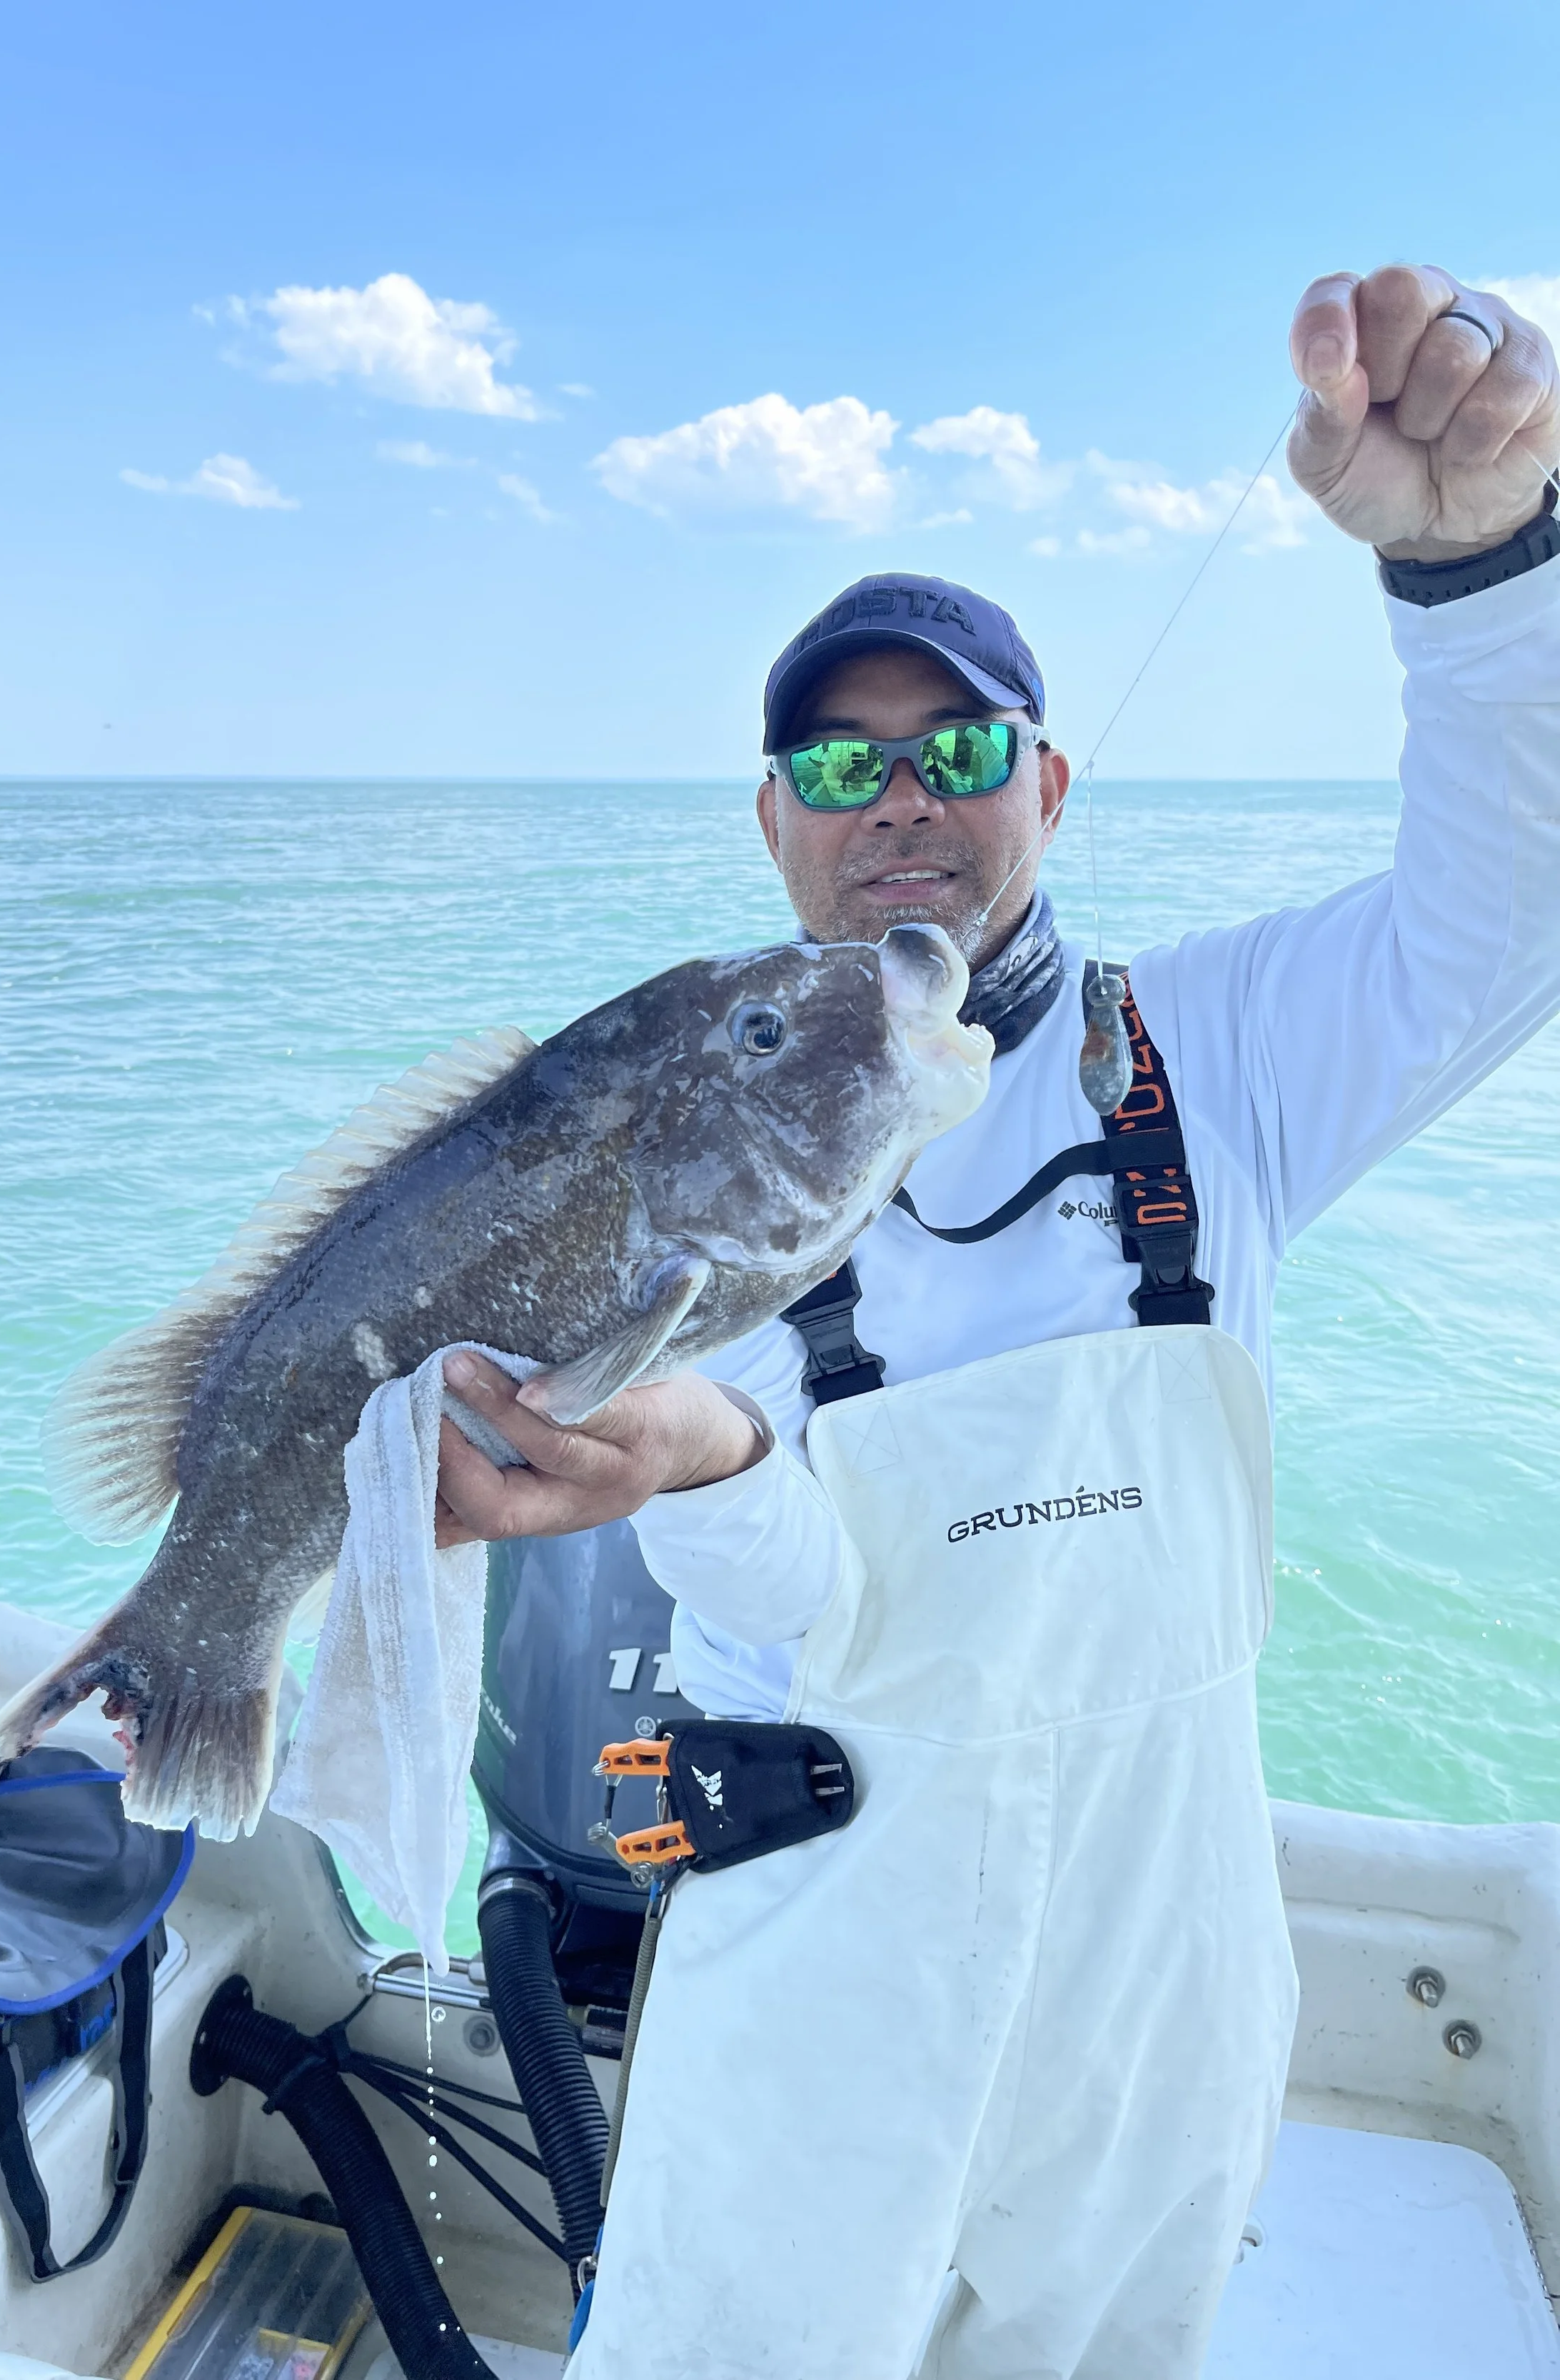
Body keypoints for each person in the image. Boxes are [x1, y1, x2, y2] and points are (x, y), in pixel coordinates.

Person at [435, 263, 1560, 2379]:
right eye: (833, 763)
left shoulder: (1206, 1057)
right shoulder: (671, 1122)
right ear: (769, 819)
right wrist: (694, 1459)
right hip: (814, 1928)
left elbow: (1511, 903)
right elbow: (761, 1541)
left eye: (953, 744)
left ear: (1046, 783)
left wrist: (1484, 565)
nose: (898, 799)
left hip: (1165, 1952)